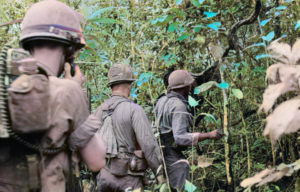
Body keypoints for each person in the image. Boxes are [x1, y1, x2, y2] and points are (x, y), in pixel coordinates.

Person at [0, 0, 105, 191]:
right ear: (70, 49)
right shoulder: (68, 91)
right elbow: (96, 161)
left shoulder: (4, 87)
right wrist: (76, 92)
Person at [70, 63, 165, 192]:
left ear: (111, 86)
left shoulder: (99, 111)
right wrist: (159, 175)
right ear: (129, 85)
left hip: (103, 178)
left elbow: (84, 143)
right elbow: (148, 144)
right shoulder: (134, 110)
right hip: (129, 180)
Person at [154, 70, 223, 192]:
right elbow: (179, 137)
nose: (191, 87)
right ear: (184, 87)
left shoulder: (161, 100)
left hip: (159, 150)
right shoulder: (178, 105)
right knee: (181, 174)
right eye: (189, 85)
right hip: (171, 152)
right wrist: (209, 135)